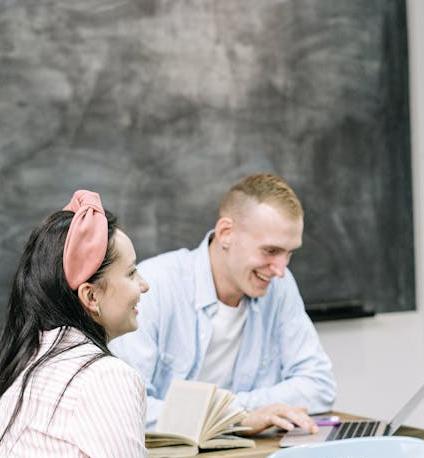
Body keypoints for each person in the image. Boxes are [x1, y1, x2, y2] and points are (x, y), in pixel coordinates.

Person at [110, 173, 335, 435]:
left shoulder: (280, 287)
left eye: (290, 253)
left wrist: (237, 412)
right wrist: (237, 417)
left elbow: (319, 386)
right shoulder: (152, 287)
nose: (281, 270)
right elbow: (129, 408)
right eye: (271, 251)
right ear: (226, 233)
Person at [0, 190, 150, 457]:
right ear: (91, 296)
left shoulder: (25, 360)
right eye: (131, 272)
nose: (144, 285)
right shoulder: (105, 377)